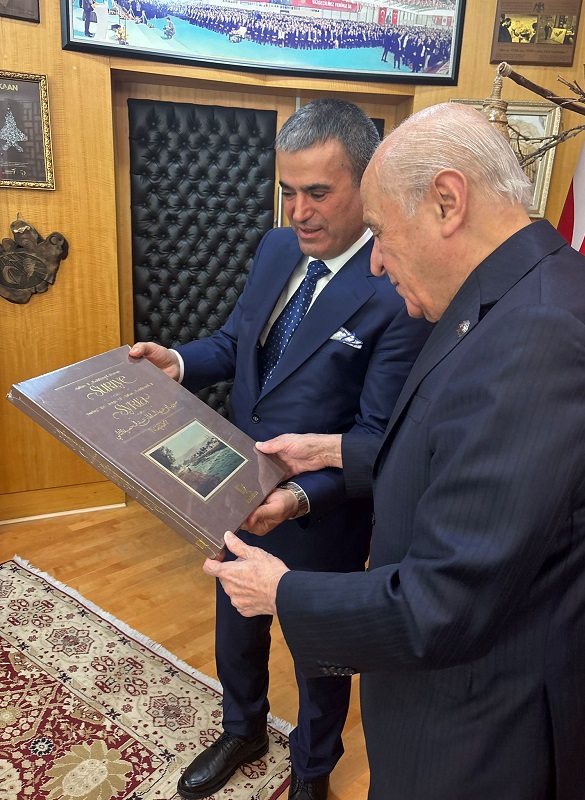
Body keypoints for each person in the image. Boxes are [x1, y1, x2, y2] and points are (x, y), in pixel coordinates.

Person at [205, 102, 585, 800]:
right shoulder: (524, 291)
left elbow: (443, 600)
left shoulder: (537, 331)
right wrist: (332, 452)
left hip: (479, 729)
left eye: (383, 232)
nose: (378, 260)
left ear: (447, 202)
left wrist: (281, 592)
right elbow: (468, 462)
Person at [129, 98, 432, 800]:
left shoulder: (397, 288)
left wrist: (296, 497)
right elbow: (238, 344)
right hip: (237, 482)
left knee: (319, 653)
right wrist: (178, 361)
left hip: (322, 510)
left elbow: (378, 438)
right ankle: (242, 728)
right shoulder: (275, 247)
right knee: (235, 620)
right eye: (288, 191)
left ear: (368, 184)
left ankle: (312, 770)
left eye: (318, 192)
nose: (299, 212)